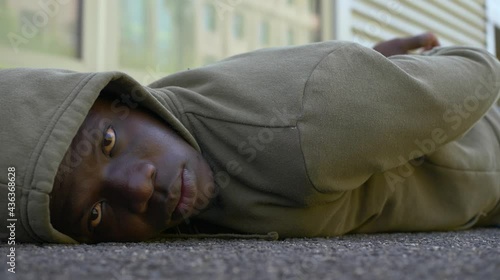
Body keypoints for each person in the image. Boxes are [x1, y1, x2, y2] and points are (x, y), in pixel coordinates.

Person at [1, 33, 499, 243]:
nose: (136, 187)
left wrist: (388, 83)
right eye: (93, 214)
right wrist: (375, 69)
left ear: (119, 96)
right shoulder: (160, 132)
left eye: (108, 141)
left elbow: (481, 68)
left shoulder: (313, 124)